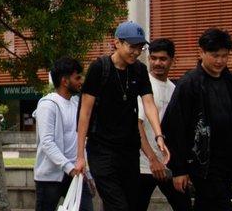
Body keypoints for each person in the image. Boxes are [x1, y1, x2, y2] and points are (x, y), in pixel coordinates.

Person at [74, 21, 169, 211]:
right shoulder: (99, 68)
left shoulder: (139, 70)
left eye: (140, 47)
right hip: (101, 150)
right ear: (117, 43)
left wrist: (159, 135)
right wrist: (80, 156)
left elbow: (149, 103)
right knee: (119, 206)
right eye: (132, 46)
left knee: (129, 204)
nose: (136, 52)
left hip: (129, 151)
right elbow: (85, 112)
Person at [163, 28, 232, 210]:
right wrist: (179, 169)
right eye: (215, 55)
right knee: (220, 204)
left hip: (228, 160)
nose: (220, 61)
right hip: (202, 162)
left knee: (207, 205)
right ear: (201, 53)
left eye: (224, 56)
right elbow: (174, 127)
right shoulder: (189, 83)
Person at [137, 39, 191, 210]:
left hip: (169, 165)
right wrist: (152, 160)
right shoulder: (143, 86)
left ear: (172, 60)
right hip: (144, 166)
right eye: (153, 58)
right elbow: (137, 126)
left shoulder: (175, 89)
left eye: (163, 59)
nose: (157, 63)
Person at [34, 58, 93, 211]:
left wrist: (87, 175)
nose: (81, 81)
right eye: (77, 77)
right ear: (65, 81)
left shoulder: (77, 103)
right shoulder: (47, 105)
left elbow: (82, 139)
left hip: (77, 174)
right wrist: (69, 168)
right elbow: (47, 142)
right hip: (50, 178)